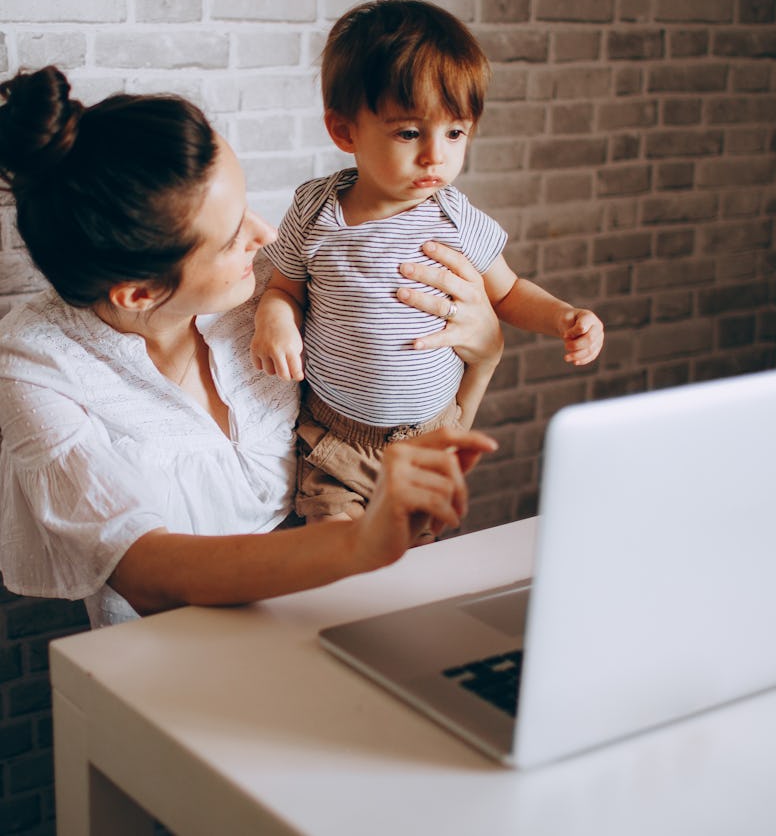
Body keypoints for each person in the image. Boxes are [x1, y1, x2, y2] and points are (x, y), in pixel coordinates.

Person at [0, 65, 501, 628]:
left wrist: (484, 358)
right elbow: (147, 574)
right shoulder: (38, 364)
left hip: (339, 617)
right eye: (232, 232)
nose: (264, 235)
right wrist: (357, 544)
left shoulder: (270, 294)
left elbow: (401, 420)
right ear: (138, 293)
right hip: (172, 664)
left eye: (246, 206)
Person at [251, 0, 604, 522]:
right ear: (345, 130)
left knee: (411, 564)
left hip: (430, 435)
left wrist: (564, 317)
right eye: (410, 132)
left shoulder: (455, 218)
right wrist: (273, 320)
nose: (436, 155)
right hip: (336, 439)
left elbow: (506, 292)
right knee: (333, 566)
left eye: (455, 132)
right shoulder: (318, 209)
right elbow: (284, 288)